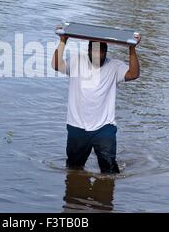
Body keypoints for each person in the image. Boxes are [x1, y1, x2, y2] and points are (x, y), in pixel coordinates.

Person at [51, 26, 141, 174]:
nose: (97, 54)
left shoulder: (114, 66)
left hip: (104, 128)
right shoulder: (76, 60)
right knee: (73, 169)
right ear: (88, 51)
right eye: (94, 51)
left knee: (110, 172)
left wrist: (132, 49)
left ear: (106, 52)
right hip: (77, 126)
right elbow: (55, 65)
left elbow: (134, 74)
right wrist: (63, 40)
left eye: (101, 51)